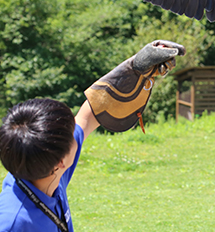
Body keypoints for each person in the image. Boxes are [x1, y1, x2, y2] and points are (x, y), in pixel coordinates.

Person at [0, 40, 185, 231]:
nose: (76, 131)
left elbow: (87, 117)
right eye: (71, 134)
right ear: (61, 162)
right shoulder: (13, 223)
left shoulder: (38, 167)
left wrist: (136, 67)